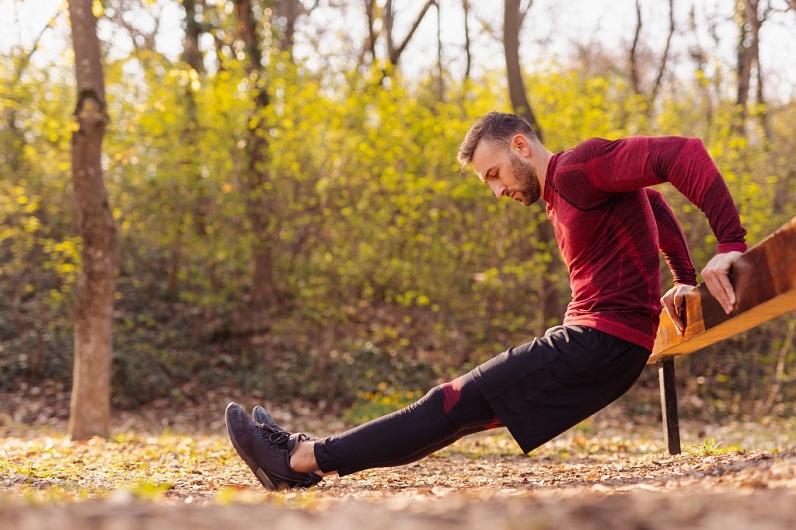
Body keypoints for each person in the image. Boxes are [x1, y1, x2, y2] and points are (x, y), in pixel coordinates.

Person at [224, 111, 748, 490]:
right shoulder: (564, 195)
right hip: (604, 346)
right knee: (455, 413)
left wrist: (729, 245)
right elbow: (651, 200)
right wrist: (682, 276)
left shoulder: (578, 168)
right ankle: (303, 463)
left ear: (520, 145)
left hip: (598, 341)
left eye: (494, 174)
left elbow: (680, 153)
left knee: (449, 402)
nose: (497, 192)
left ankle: (297, 459)